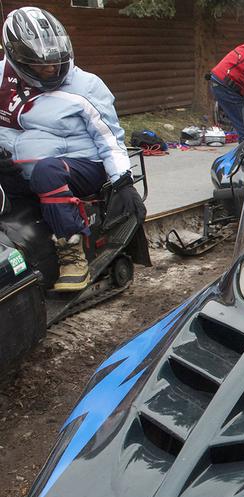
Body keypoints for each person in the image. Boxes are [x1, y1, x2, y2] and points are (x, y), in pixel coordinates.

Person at [0, 7, 145, 292]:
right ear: (18, 61)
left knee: (47, 170)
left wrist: (123, 180)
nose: (52, 69)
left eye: (56, 62)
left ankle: (72, 252)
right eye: (42, 66)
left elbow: (110, 138)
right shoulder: (3, 81)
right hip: (19, 167)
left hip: (79, 166)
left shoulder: (86, 87)